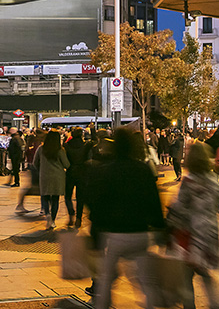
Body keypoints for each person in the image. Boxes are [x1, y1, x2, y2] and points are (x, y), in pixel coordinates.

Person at [88, 127, 165, 309]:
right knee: (146, 282)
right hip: (140, 233)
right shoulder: (142, 169)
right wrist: (159, 226)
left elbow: (97, 203)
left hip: (115, 234)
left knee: (106, 279)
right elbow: (154, 201)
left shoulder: (106, 171)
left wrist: (96, 233)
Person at [168, 142, 219, 309]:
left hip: (191, 236)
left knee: (186, 278)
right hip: (210, 233)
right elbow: (218, 203)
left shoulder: (189, 182)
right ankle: (215, 304)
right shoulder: (214, 180)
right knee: (205, 273)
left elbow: (181, 210)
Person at [34, 129, 70, 231]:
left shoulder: (41, 149)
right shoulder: (60, 150)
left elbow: (35, 162)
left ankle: (47, 215)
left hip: (44, 175)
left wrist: (41, 169)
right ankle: (53, 220)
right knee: (55, 199)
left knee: (45, 197)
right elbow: (66, 164)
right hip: (57, 176)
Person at [64, 127, 92, 227]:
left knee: (67, 196)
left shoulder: (67, 145)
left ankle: (71, 213)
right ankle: (79, 218)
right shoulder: (86, 145)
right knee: (80, 197)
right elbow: (89, 159)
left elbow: (65, 160)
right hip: (82, 172)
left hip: (70, 171)